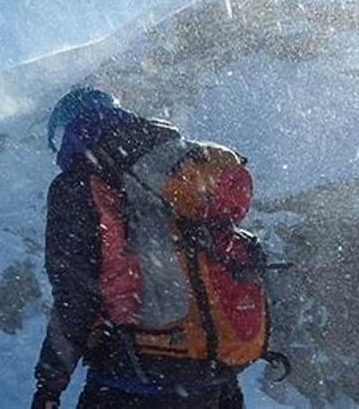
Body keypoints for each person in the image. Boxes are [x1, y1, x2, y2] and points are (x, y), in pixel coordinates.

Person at [31, 87, 268, 409]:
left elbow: (76, 296)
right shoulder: (172, 167)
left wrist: (49, 385)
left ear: (69, 132)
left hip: (134, 378)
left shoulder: (79, 186)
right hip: (214, 378)